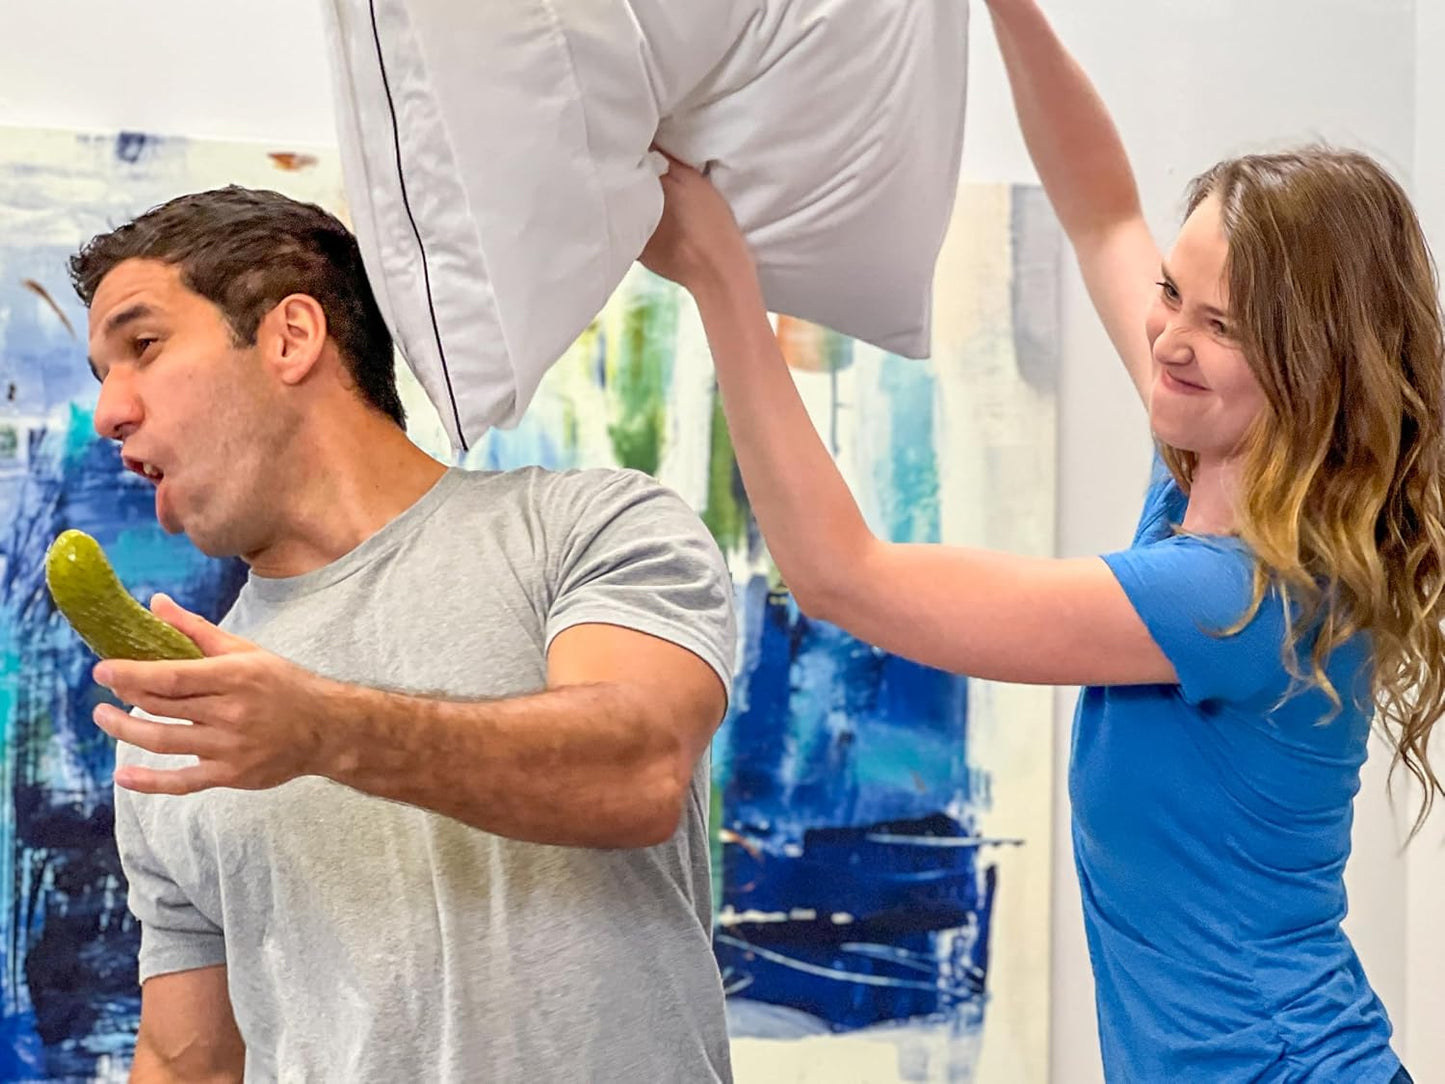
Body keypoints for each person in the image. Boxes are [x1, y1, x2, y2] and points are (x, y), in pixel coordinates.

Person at [638, 0, 1442, 1079]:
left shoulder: (1236, 595)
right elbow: (1101, 211)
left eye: (1219, 326)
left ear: (1313, 367)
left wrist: (722, 284)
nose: (1168, 340)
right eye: (1172, 295)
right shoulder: (1206, 479)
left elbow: (841, 578)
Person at [69, 185, 737, 1082]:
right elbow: (186, 1061)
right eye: (101, 376)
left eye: (143, 347)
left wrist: (323, 730)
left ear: (290, 336)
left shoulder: (585, 527)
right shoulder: (179, 713)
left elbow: (637, 770)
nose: (109, 413)